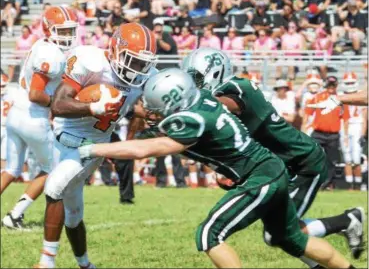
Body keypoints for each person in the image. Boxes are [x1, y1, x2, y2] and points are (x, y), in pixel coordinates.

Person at [79, 68, 358, 269]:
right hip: (271, 169)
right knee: (290, 237)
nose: (152, 113)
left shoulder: (190, 121)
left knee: (209, 234)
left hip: (259, 177)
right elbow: (153, 124)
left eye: (156, 108)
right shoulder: (202, 99)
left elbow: (142, 149)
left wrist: (90, 148)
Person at [181, 48, 365, 263]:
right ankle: (346, 221)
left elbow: (224, 107)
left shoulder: (237, 88)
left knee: (283, 233)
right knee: (280, 234)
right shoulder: (226, 93)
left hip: (304, 162)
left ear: (214, 72)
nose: (195, 85)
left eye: (197, 78)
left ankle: (345, 222)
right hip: (283, 163)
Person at [34, 22, 157, 269]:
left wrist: (145, 115)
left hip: (93, 145)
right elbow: (58, 105)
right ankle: (86, 265)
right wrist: (92, 108)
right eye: (132, 61)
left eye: (142, 64)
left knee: (54, 186)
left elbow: (133, 110)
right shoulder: (90, 61)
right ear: (114, 49)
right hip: (61, 139)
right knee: (73, 215)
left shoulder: (144, 79)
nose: (137, 69)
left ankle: (46, 263)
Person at [1, 6, 79, 229]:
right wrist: (57, 104)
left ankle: (14, 215)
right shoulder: (51, 54)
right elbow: (37, 94)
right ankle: (15, 215)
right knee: (54, 169)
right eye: (62, 31)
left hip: (17, 112)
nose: (68, 36)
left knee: (11, 169)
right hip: (33, 117)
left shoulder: (41, 45)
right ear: (49, 29)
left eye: (70, 31)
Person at [305, 76, 350, 190]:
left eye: (333, 85)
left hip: (333, 135)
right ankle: (312, 181)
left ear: (336, 85)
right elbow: (308, 113)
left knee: (331, 160)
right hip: (318, 133)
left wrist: (345, 136)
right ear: (326, 85)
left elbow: (345, 119)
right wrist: (304, 128)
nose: (331, 87)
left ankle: (327, 184)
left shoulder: (341, 99)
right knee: (313, 157)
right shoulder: (317, 98)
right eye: (329, 85)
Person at [339, 72, 367, 190]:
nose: (350, 85)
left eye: (352, 82)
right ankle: (350, 185)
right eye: (348, 83)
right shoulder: (340, 95)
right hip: (344, 126)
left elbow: (365, 117)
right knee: (347, 158)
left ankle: (358, 184)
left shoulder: (361, 95)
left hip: (357, 125)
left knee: (357, 158)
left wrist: (363, 133)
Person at [0, 72, 11, 170]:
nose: (1, 88)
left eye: (3, 86)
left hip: (7, 127)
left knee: (4, 155)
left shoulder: (11, 95)